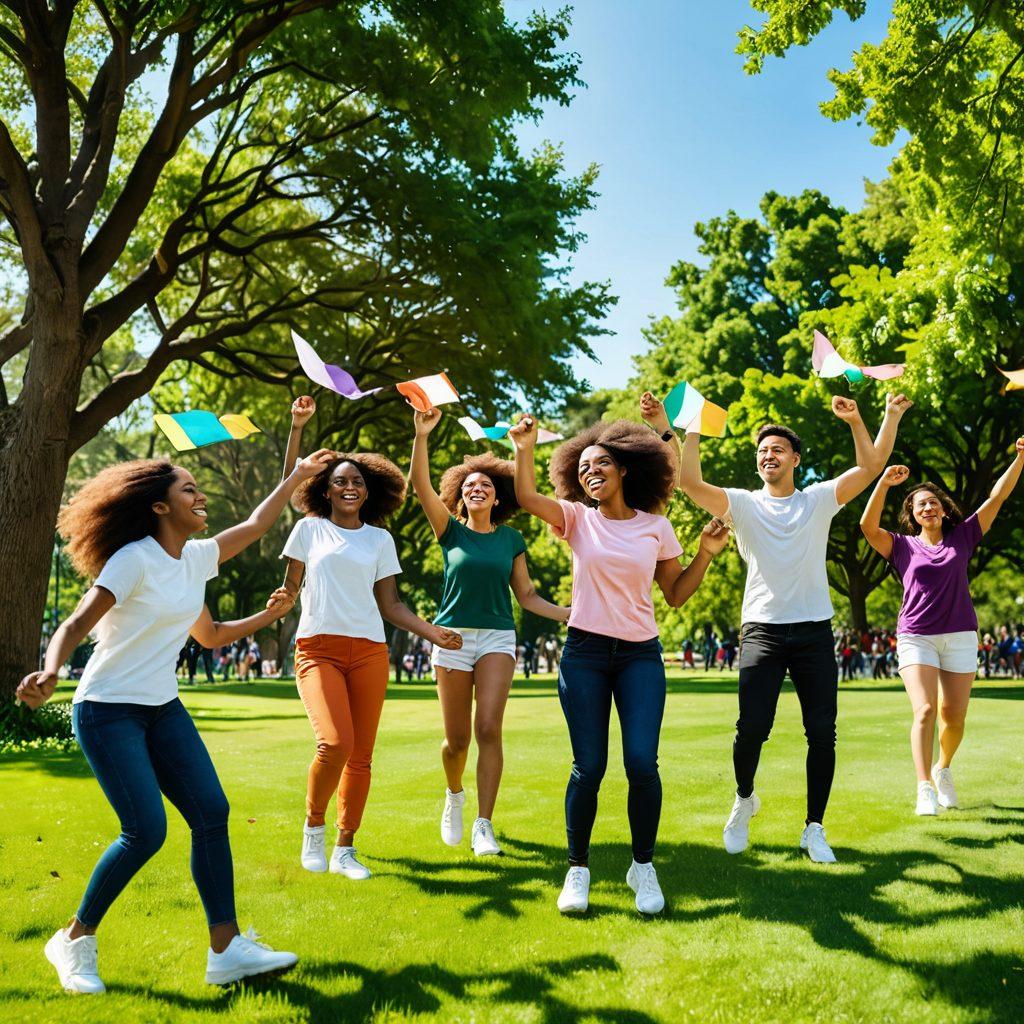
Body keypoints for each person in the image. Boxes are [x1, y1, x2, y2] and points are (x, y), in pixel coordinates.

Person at [16, 445, 335, 994]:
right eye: (188, 489)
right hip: (107, 709)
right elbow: (72, 624)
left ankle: (226, 950)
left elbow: (255, 533)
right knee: (145, 831)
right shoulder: (134, 558)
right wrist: (50, 671)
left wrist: (299, 474)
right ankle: (74, 939)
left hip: (162, 708)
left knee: (211, 812)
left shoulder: (197, 559)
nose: (200, 495)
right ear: (160, 507)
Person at [662, 388, 912, 862]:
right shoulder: (741, 504)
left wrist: (859, 419)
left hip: (814, 631)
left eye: (777, 449)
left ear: (795, 459)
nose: (767, 455)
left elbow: (869, 467)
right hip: (762, 630)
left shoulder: (818, 500)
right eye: (762, 452)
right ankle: (743, 798)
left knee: (822, 732)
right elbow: (689, 483)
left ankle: (814, 828)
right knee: (751, 727)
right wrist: (692, 428)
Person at [510, 409, 729, 915]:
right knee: (588, 767)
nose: (591, 471)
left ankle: (643, 867)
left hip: (639, 657)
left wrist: (706, 553)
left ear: (625, 469)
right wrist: (524, 448)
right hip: (584, 653)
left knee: (641, 765)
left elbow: (674, 595)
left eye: (602, 463)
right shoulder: (577, 519)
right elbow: (524, 498)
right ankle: (578, 869)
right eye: (583, 466)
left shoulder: (656, 526)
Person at [281, 395, 463, 881]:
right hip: (316, 649)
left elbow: (392, 606)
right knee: (334, 744)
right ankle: (313, 828)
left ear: (369, 490)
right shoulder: (308, 530)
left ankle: (345, 846)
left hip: (368, 652)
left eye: (356, 481)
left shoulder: (379, 540)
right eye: (339, 480)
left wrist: (433, 633)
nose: (349, 486)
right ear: (324, 488)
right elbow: (292, 583)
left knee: (361, 755)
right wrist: (298, 428)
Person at [410, 407, 569, 857]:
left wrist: (568, 613)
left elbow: (528, 597)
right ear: (460, 498)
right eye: (467, 486)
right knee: (456, 740)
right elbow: (420, 486)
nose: (476, 488)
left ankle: (484, 824)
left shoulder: (511, 540)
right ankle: (454, 795)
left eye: (484, 485)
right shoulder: (449, 531)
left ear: (496, 496)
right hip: (452, 639)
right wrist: (421, 435)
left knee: (488, 729)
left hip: (498, 637)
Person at [859, 437, 1024, 814]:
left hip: (961, 636)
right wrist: (883, 484)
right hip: (916, 636)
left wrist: (1020, 458)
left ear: (943, 509)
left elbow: (996, 498)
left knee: (955, 717)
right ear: (913, 515)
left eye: (933, 501)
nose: (928, 507)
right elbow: (867, 526)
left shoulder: (962, 536)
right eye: (921, 504)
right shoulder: (901, 546)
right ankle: (924, 788)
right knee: (925, 711)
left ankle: (943, 768)